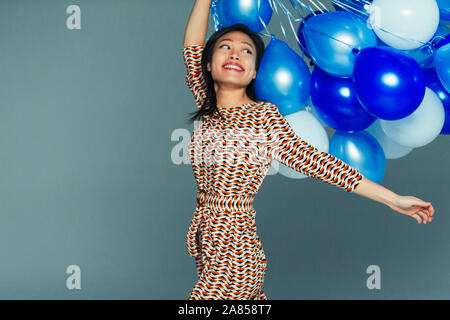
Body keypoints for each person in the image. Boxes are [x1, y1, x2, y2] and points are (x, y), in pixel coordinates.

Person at [182, 0, 435, 300]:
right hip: (207, 240)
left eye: (247, 50)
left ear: (253, 74)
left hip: (235, 246)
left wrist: (392, 199)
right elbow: (192, 47)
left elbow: (322, 164)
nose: (236, 53)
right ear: (208, 64)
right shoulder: (207, 104)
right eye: (225, 47)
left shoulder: (264, 119)